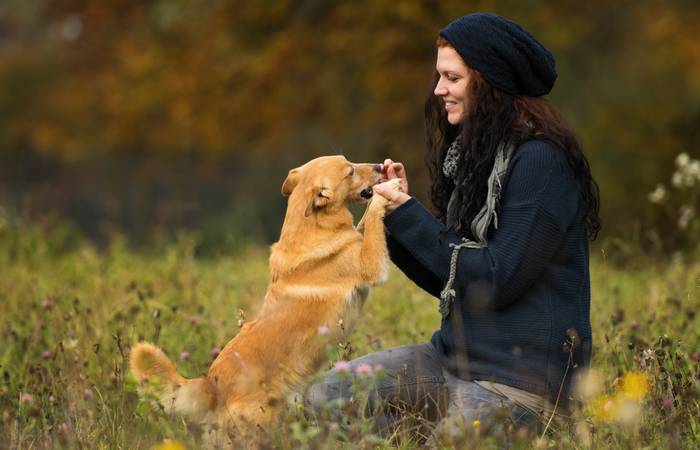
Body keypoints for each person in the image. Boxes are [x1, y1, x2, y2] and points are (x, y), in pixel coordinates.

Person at [305, 12, 601, 439]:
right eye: (439, 76)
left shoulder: (540, 163)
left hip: (519, 382)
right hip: (450, 362)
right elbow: (453, 279)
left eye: (452, 78)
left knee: (450, 443)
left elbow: (496, 280)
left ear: (489, 82)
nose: (439, 89)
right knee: (322, 398)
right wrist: (393, 217)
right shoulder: (478, 158)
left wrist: (411, 215)